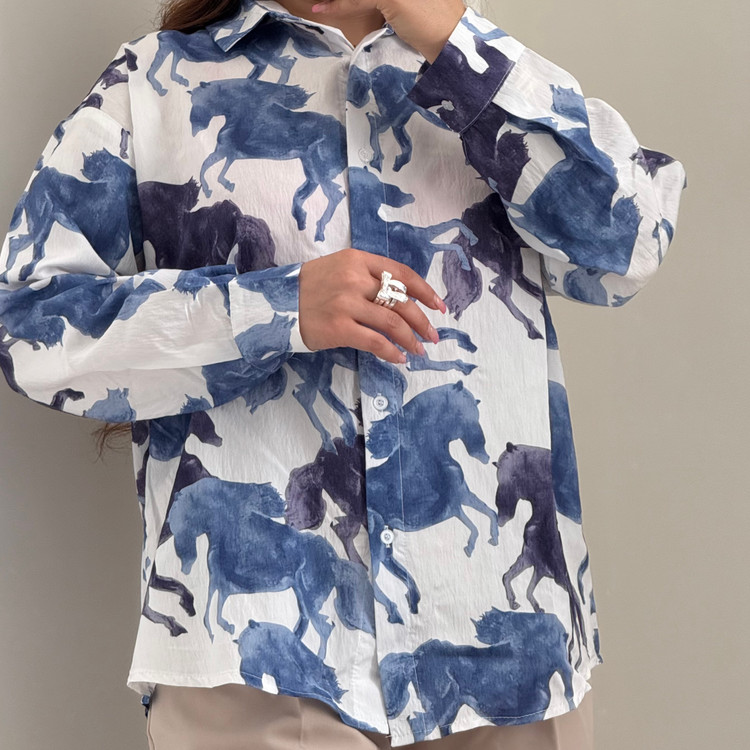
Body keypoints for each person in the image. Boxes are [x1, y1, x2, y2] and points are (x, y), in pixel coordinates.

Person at [0, 0, 686, 747]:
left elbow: (626, 252)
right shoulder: (156, 81)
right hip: (264, 663)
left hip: (510, 659)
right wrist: (278, 307)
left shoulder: (489, 74)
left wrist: (458, 45)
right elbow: (28, 324)